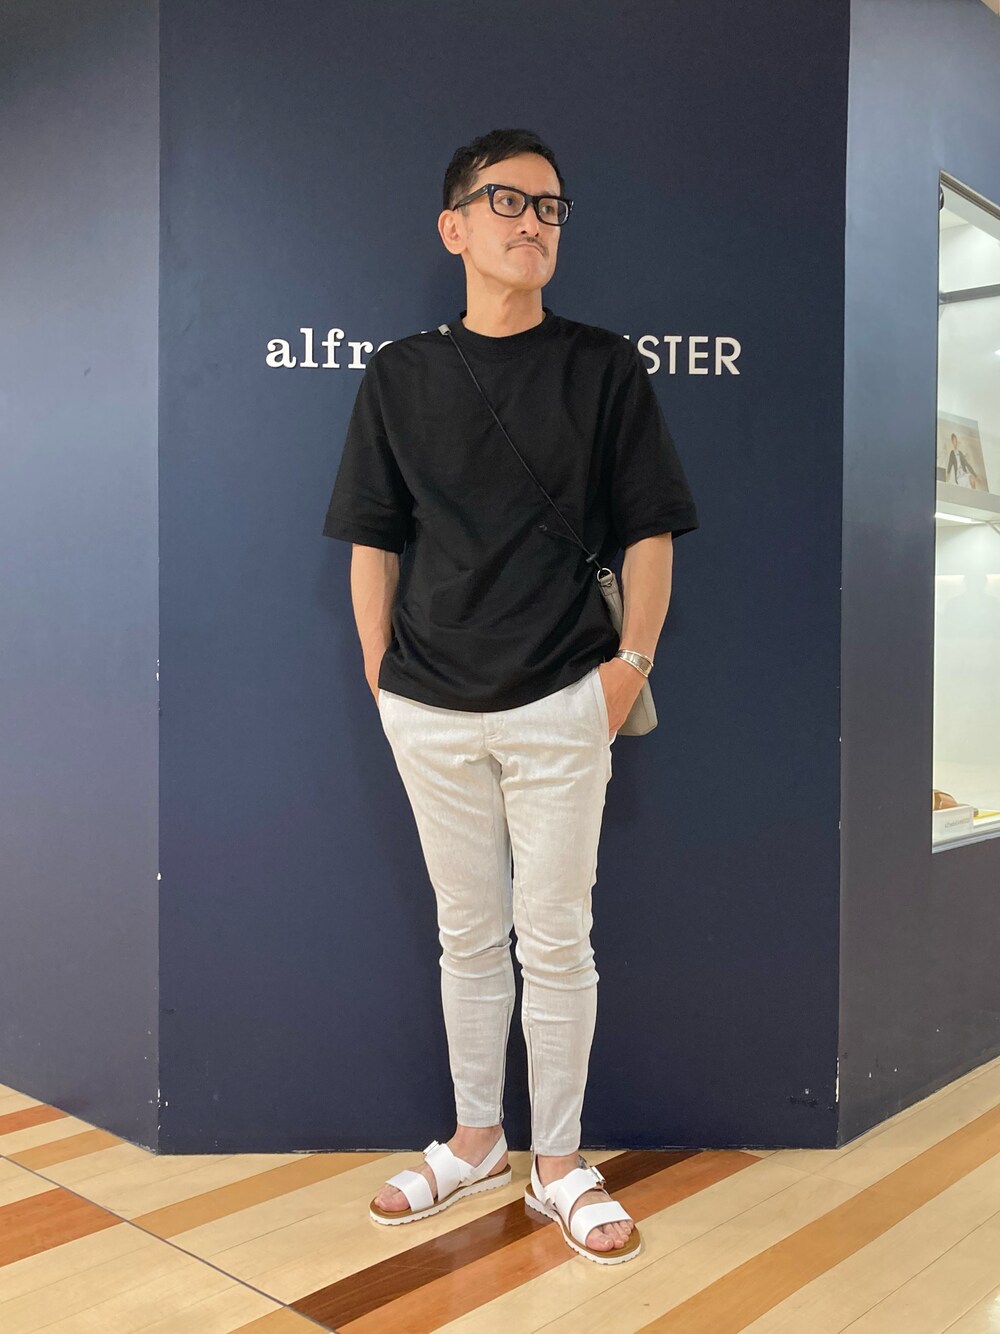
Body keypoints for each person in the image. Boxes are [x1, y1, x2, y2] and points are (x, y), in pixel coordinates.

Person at [321, 128, 699, 1264]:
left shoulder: (603, 367)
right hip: (427, 706)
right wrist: (383, 680)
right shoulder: (400, 375)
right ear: (454, 227)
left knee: (558, 938)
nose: (533, 221)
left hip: (562, 698)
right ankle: (477, 1138)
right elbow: (373, 540)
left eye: (549, 207)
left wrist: (627, 669)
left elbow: (649, 531)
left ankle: (559, 1162)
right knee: (467, 935)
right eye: (507, 201)